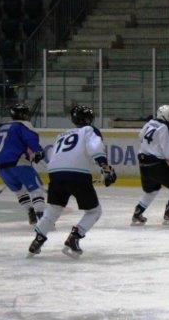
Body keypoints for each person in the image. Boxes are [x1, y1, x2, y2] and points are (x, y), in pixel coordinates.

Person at [27, 105, 116, 258]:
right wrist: (105, 167)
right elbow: (95, 147)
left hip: (55, 174)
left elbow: (55, 157)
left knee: (54, 209)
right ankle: (74, 238)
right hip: (77, 175)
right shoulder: (89, 130)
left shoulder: (61, 135)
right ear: (89, 119)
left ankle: (37, 240)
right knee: (94, 211)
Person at [0, 103, 46, 225]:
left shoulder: (3, 127)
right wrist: (38, 152)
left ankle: (30, 212)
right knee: (36, 190)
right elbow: (30, 139)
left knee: (20, 191)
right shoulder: (24, 125)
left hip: (1, 166)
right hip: (19, 163)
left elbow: (11, 144)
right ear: (23, 114)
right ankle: (43, 219)